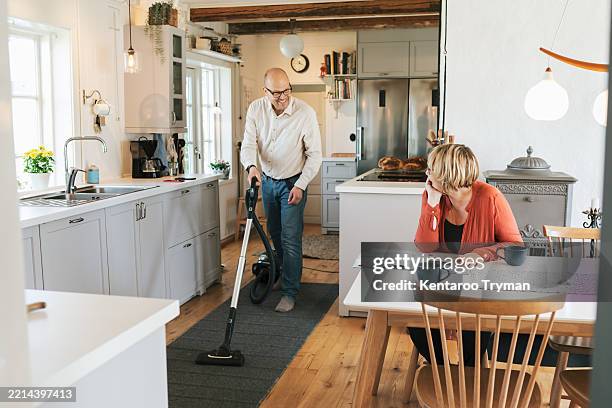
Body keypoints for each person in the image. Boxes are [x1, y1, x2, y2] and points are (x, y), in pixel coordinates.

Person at [410, 143, 523, 365]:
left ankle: (469, 374)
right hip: (441, 284)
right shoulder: (433, 196)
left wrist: (481, 254)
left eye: (431, 168)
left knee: (474, 328)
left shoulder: (490, 198)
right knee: (416, 322)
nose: (427, 173)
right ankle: (443, 368)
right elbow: (425, 247)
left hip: (479, 288)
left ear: (447, 173)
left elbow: (514, 244)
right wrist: (432, 205)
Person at [240, 68, 322, 313]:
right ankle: (284, 274)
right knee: (274, 232)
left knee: (290, 237)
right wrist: (251, 167)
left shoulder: (305, 113)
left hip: (292, 183)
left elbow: (315, 155)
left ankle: (290, 291)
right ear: (265, 91)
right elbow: (248, 144)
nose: (282, 96)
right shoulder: (256, 109)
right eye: (276, 93)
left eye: (286, 90)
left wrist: (300, 185)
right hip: (267, 181)